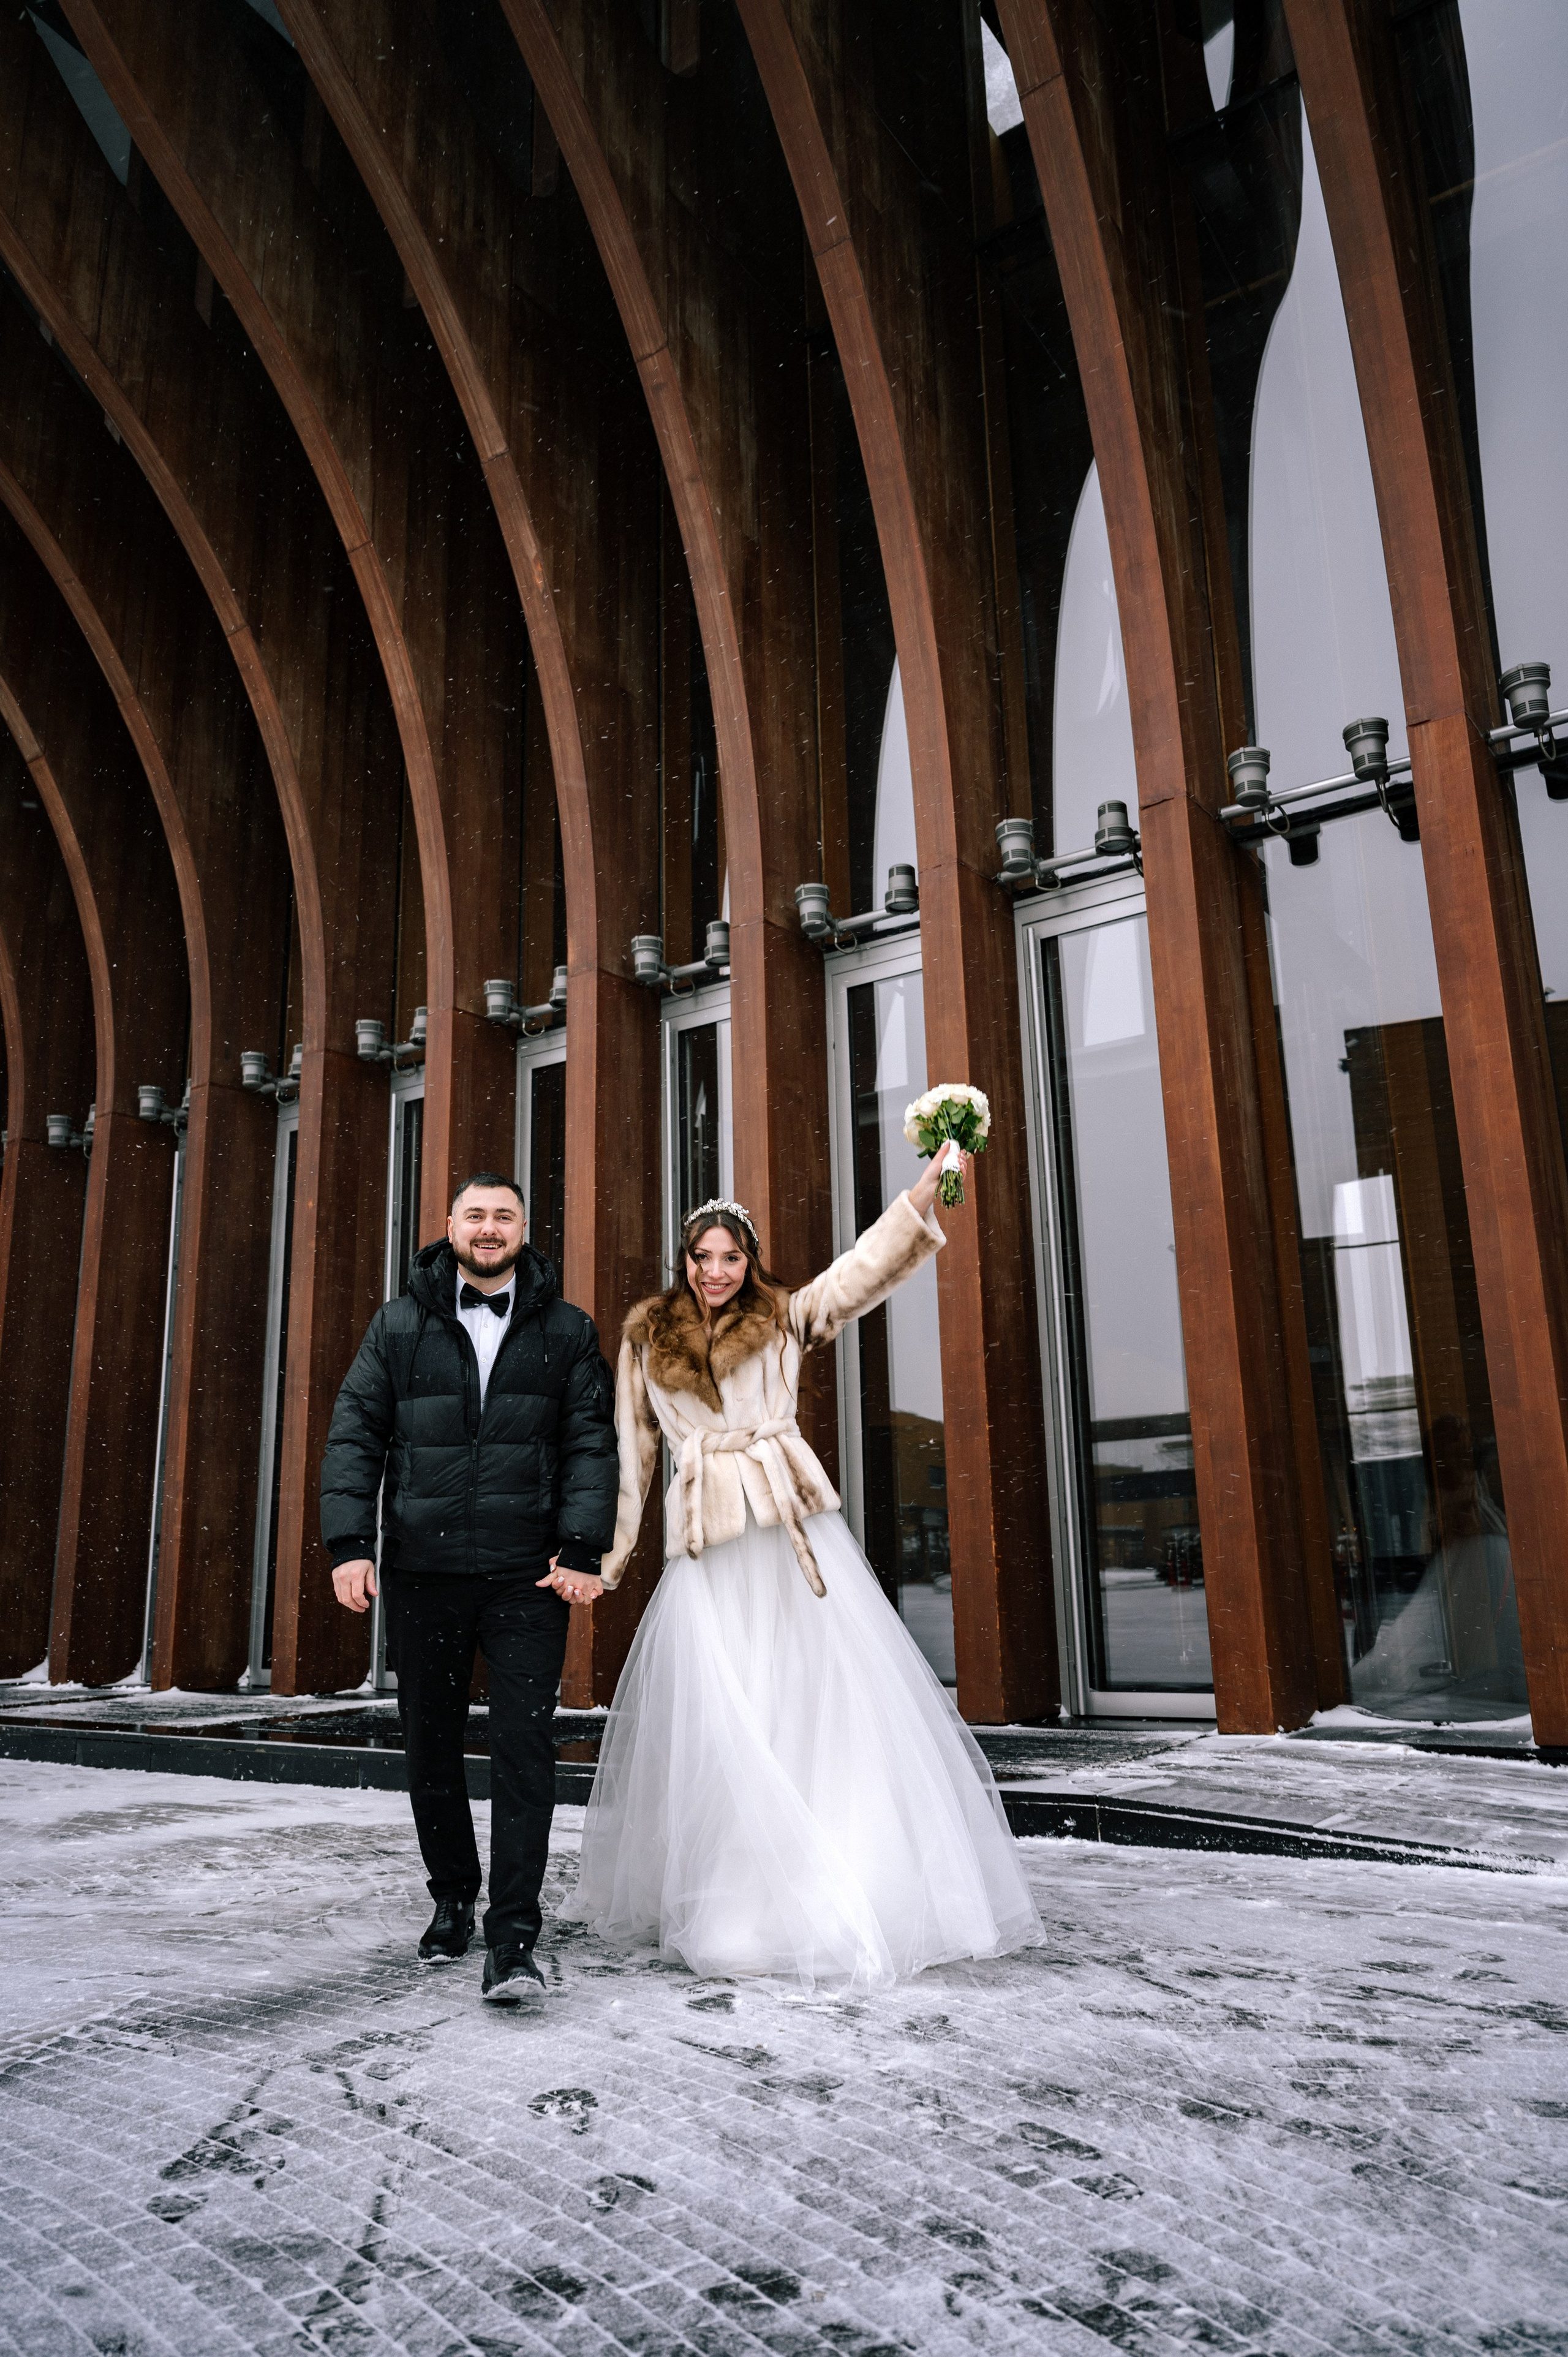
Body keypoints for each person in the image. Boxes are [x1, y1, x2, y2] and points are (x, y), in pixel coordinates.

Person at [561, 1160, 1041, 1989]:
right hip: (709, 1551)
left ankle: (841, 1877)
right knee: (723, 1717)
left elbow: (861, 1270)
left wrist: (924, 1193)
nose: (716, 1271)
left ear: (749, 1262)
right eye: (703, 1257)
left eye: (731, 1258)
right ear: (685, 1261)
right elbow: (633, 1458)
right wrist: (606, 1560)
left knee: (815, 1703)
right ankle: (734, 1893)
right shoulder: (645, 1339)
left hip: (790, 1537)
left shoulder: (786, 1318)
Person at [321, 1172, 617, 2003]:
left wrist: (583, 1548)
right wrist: (350, 1545)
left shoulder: (566, 1330)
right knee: (431, 1745)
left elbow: (591, 1444)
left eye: (505, 1217)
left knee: (524, 1749)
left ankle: (513, 1936)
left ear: (526, 1228)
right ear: (449, 1225)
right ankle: (453, 1896)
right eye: (476, 1215)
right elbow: (355, 1432)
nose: (490, 1229)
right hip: (424, 1573)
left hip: (529, 1578)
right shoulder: (399, 1323)